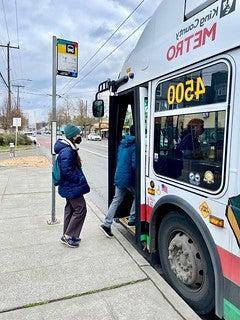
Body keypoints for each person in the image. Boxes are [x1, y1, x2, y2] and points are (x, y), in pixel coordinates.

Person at [54, 123, 90, 248]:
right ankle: (69, 236)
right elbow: (67, 171)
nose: (79, 136)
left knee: (70, 209)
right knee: (81, 209)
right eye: (78, 134)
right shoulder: (68, 151)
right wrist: (78, 179)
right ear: (72, 136)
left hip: (68, 186)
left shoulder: (67, 148)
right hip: (71, 186)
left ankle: (67, 235)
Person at [100, 125, 136, 238]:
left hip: (119, 175)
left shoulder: (122, 144)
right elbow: (135, 164)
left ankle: (106, 224)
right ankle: (132, 219)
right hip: (128, 178)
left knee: (116, 200)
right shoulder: (135, 146)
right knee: (138, 196)